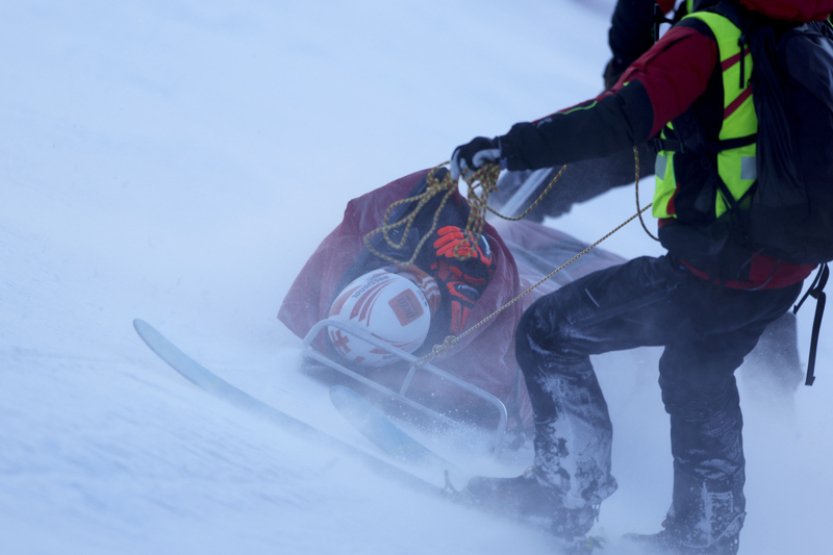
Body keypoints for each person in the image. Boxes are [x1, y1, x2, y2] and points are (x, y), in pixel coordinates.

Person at [448, 0, 832, 552]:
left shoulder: (708, 38)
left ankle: (562, 495)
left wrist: (509, 149)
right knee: (697, 373)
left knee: (548, 332)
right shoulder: (814, 33)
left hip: (709, 271)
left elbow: (616, 118)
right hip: (780, 277)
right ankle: (703, 536)